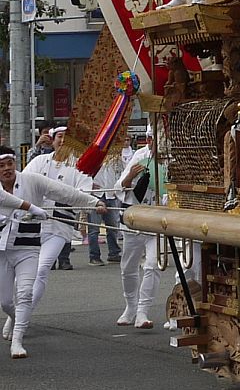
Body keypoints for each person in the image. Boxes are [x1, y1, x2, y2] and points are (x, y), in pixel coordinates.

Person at [0, 146, 105, 358]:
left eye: (10, 163)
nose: (7, 169)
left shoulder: (31, 180)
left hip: (27, 247)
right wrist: (30, 208)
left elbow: (64, 192)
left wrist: (94, 202)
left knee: (25, 292)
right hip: (2, 250)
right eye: (1, 166)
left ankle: (18, 340)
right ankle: (18, 317)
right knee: (5, 302)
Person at [24, 127, 91, 290]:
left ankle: (24, 306)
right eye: (60, 137)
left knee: (41, 269)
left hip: (59, 225)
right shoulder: (39, 161)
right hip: (32, 223)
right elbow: (23, 183)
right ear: (52, 141)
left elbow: (83, 195)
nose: (62, 141)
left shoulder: (81, 166)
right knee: (26, 272)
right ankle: (21, 304)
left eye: (67, 138)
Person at [115, 129, 166, 329]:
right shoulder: (139, 156)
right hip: (135, 218)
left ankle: (143, 311)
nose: (156, 144)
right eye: (153, 140)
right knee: (128, 267)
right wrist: (130, 176)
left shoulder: (170, 159)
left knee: (153, 265)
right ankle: (131, 306)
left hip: (158, 220)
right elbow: (120, 187)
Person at [87, 154, 124, 266]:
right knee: (94, 228)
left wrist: (118, 188)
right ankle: (94, 256)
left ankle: (114, 253)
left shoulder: (116, 157)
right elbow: (82, 171)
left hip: (111, 193)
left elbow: (122, 173)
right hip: (96, 195)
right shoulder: (93, 154)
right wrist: (88, 184)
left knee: (112, 227)